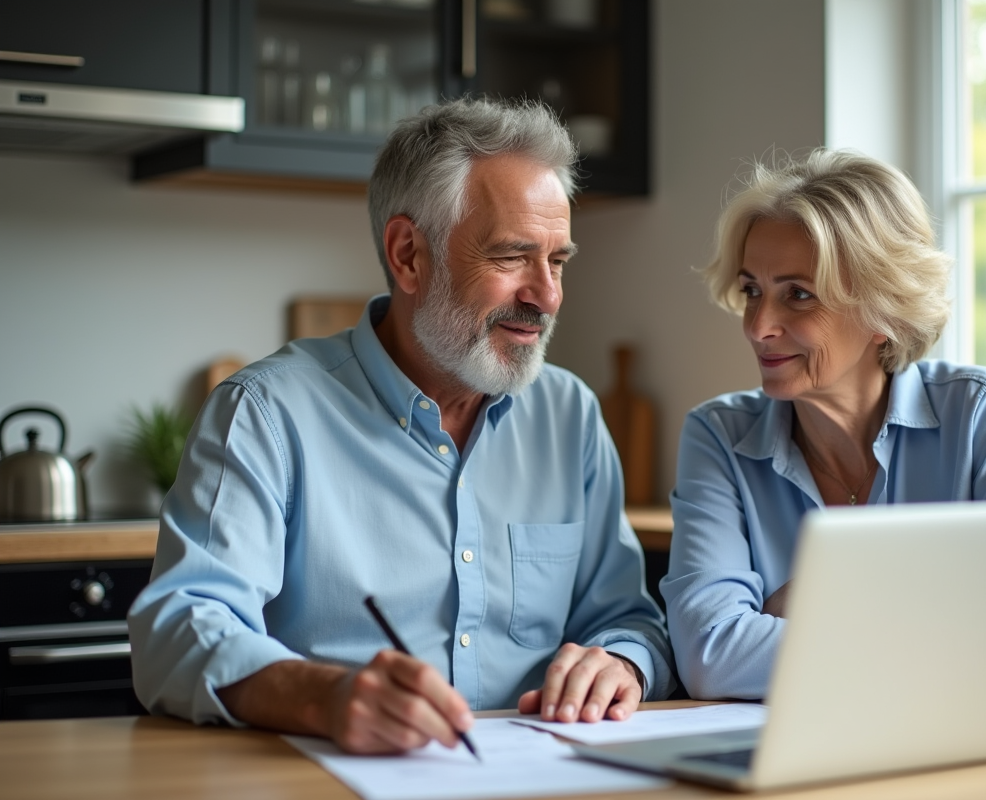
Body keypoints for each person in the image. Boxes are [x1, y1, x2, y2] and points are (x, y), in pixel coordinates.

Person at [129, 97, 672, 754]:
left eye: (557, 261)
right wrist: (322, 696)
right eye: (511, 257)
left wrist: (622, 662)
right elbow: (177, 631)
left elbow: (625, 619)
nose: (547, 296)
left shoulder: (571, 416)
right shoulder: (266, 413)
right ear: (409, 254)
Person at [660, 149, 986, 704]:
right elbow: (711, 657)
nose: (758, 326)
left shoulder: (980, 412)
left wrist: (821, 598)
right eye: (752, 289)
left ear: (882, 311)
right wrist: (953, 615)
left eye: (798, 294)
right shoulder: (718, 436)